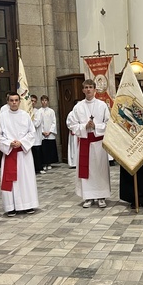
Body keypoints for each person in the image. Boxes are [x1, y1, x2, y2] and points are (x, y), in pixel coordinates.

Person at [67, 79, 111, 208]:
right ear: (83, 90)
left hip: (98, 144)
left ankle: (101, 196)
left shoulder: (102, 105)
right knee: (88, 171)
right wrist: (84, 126)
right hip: (85, 142)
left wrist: (96, 126)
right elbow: (71, 123)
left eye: (90, 87)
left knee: (100, 170)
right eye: (86, 87)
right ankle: (88, 197)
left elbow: (109, 123)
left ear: (95, 89)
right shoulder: (78, 107)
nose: (88, 90)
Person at [0, 92, 39, 216]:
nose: (14, 102)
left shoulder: (25, 115)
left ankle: (28, 205)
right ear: (8, 102)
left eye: (16, 100)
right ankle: (11, 207)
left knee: (26, 179)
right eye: (11, 100)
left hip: (23, 153)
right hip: (10, 152)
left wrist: (21, 142)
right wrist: (10, 143)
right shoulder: (2, 117)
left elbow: (32, 133)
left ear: (19, 102)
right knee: (12, 181)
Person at [35, 95, 58, 172]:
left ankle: (49, 163)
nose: (44, 102)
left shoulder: (51, 111)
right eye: (42, 100)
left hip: (49, 132)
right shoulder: (39, 111)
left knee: (50, 148)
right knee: (43, 149)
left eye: (45, 100)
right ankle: (44, 163)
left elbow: (54, 122)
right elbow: (38, 123)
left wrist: (50, 131)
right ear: (41, 101)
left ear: (48, 101)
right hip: (42, 133)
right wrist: (42, 131)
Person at [30, 94, 44, 174]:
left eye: (34, 101)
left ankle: (38, 168)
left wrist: (29, 122)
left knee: (37, 152)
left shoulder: (37, 112)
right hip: (28, 136)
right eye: (31, 101)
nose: (33, 103)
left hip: (36, 136)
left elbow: (37, 123)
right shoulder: (25, 111)